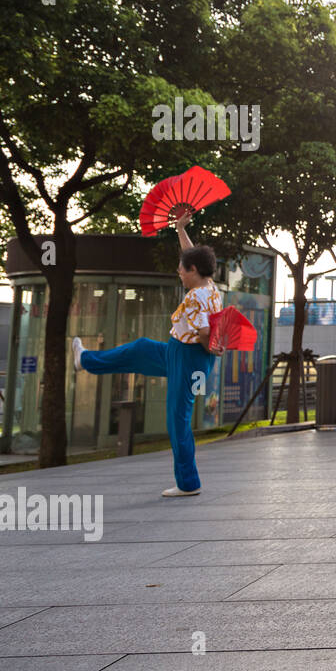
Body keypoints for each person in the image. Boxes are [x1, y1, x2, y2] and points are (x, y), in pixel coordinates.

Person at [72, 210, 223, 497]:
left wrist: (213, 349)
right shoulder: (210, 287)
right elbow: (190, 253)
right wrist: (180, 228)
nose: (179, 271)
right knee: (140, 349)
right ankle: (85, 360)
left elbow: (205, 335)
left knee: (177, 418)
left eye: (181, 268)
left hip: (190, 358)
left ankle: (188, 483)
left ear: (192, 271)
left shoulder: (195, 297)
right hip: (182, 353)